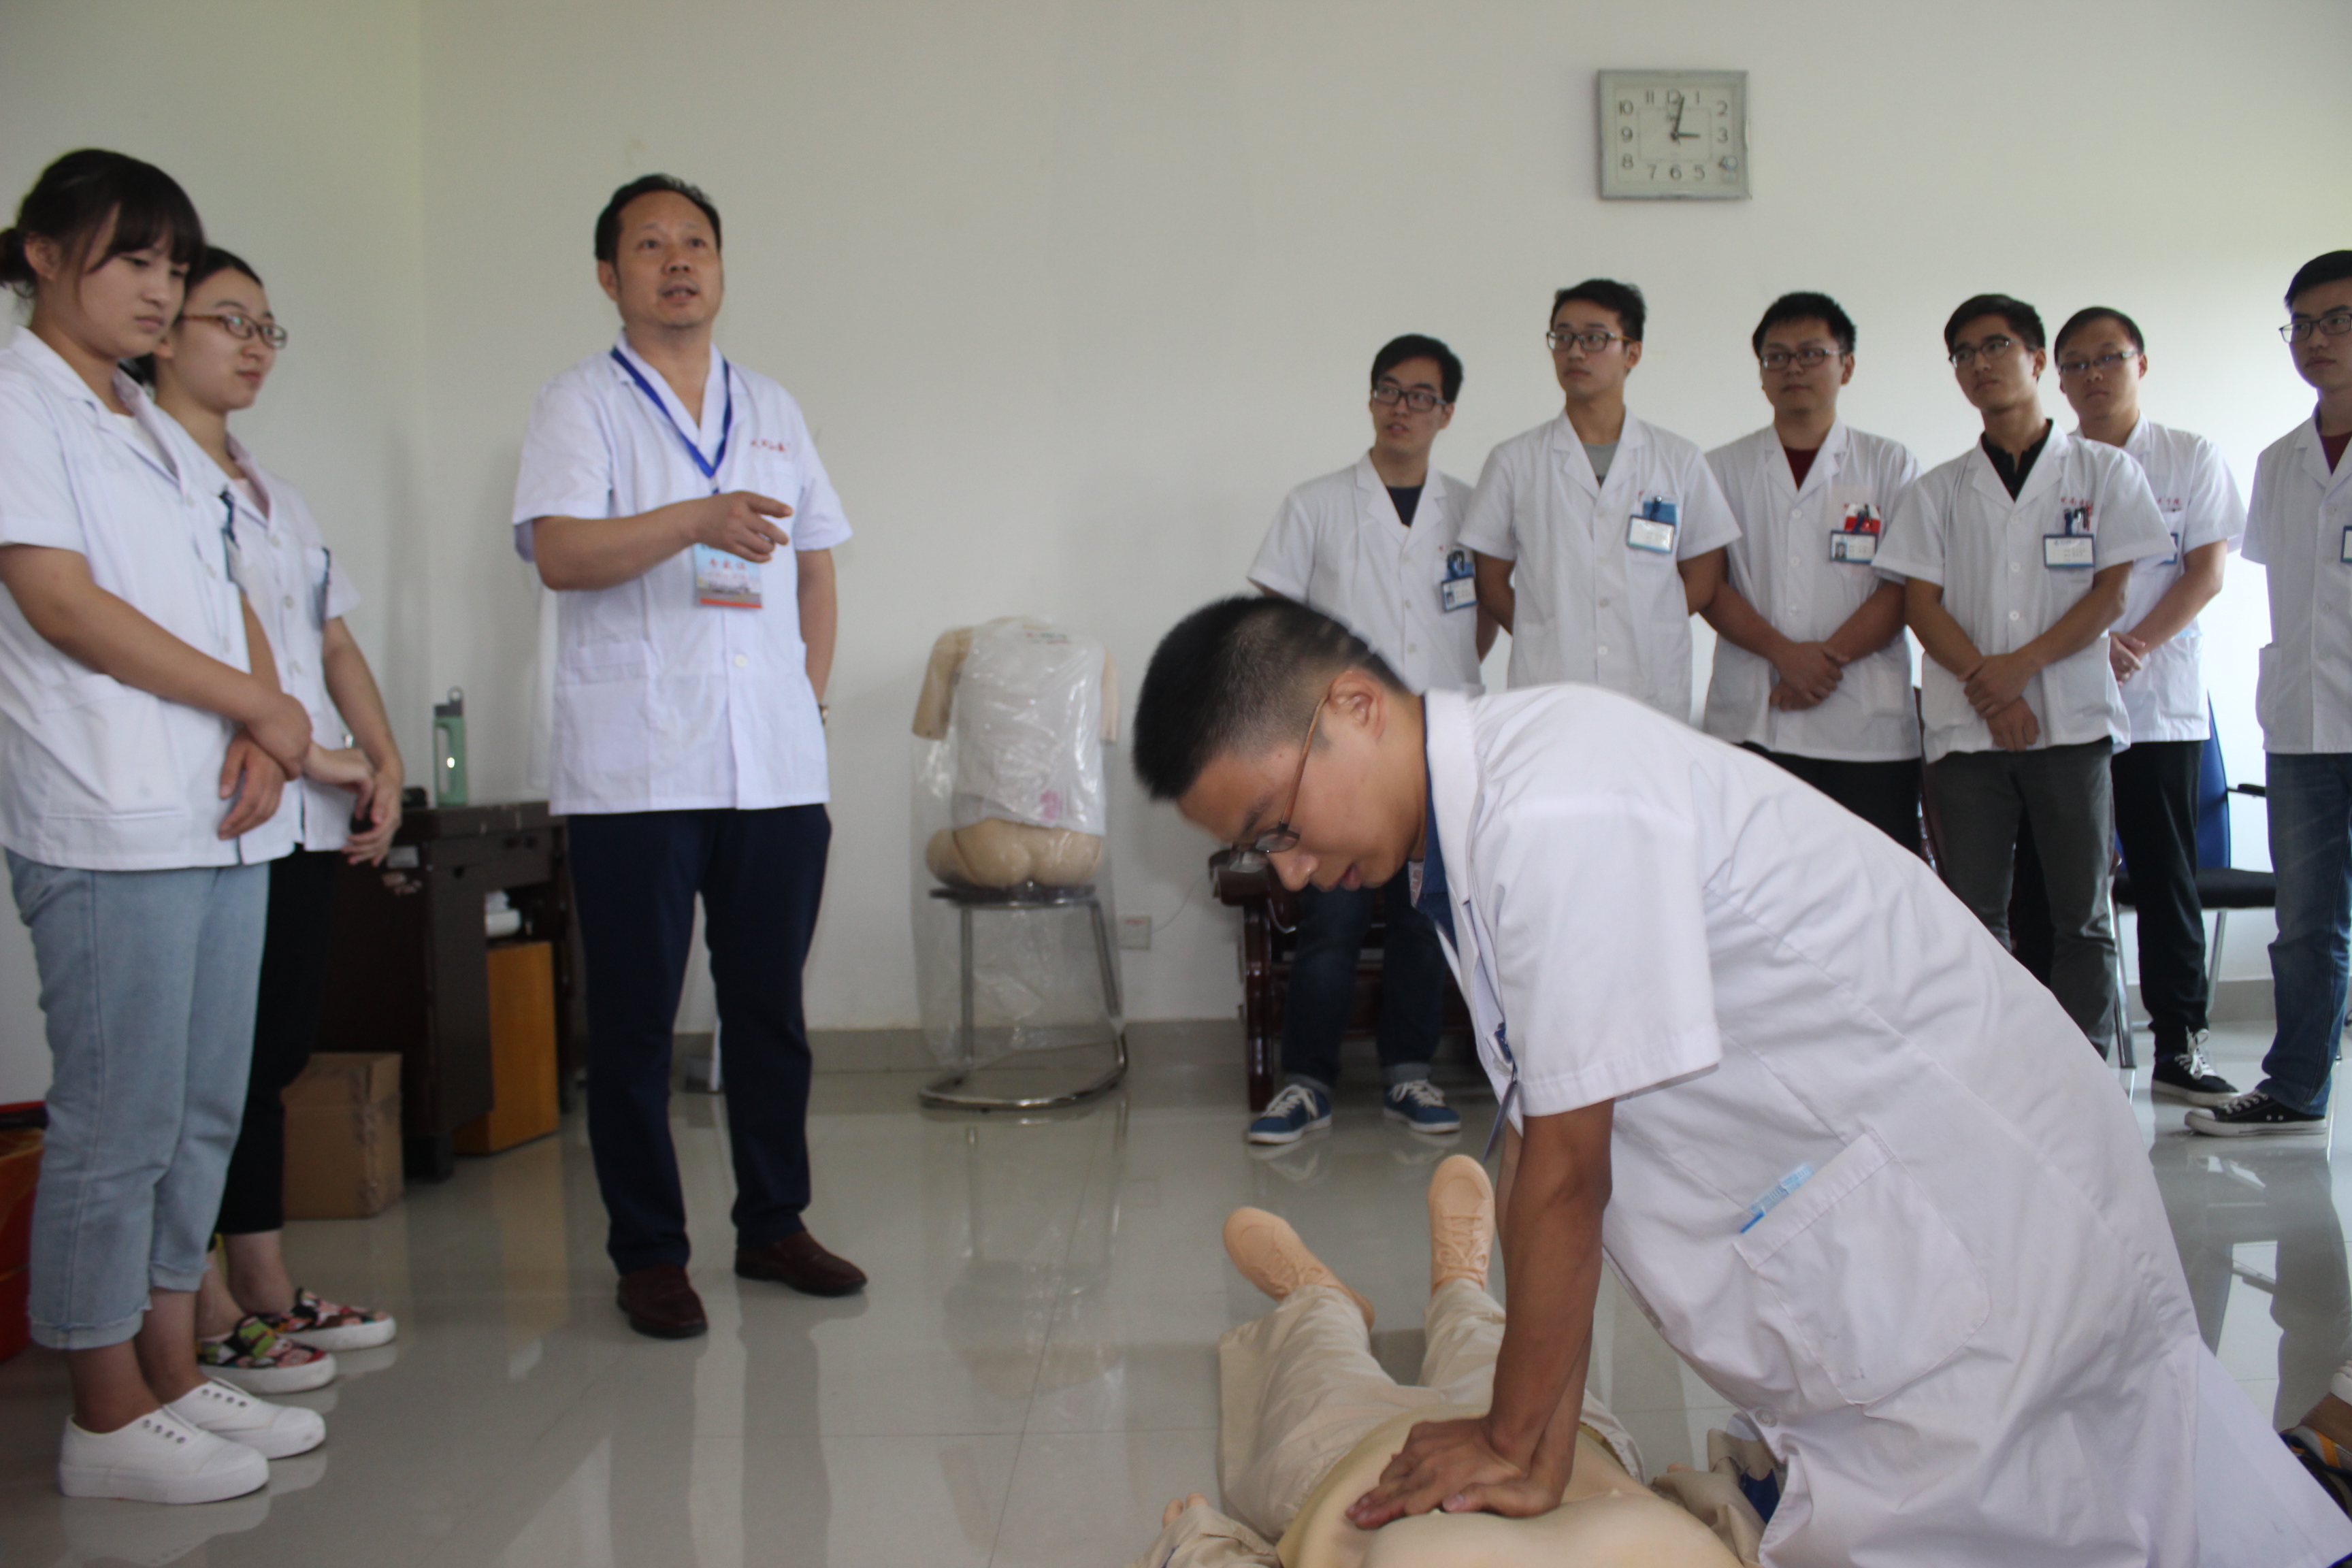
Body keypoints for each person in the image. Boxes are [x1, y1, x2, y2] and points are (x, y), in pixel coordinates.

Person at [1131, 594, 2352, 1567]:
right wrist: (1525, 1428)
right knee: (2123, 1501)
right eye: (1257, 849)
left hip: (1977, 1202)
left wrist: (1517, 1439)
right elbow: (1544, 1138)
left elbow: (1567, 1170)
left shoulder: (1554, 797)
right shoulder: (1484, 823)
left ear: (1353, 706)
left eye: (1278, 823)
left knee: (2086, 1501)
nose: (1289, 873)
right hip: (1892, 1218)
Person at [0, 150, 325, 1503]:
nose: (157, 288)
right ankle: (102, 1409)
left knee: (200, 1110)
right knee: (116, 1120)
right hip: (107, 814)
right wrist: (256, 701)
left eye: (172, 266)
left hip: (218, 810)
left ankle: (174, 1366)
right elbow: (62, 601)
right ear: (42, 253)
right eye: (133, 258)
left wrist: (262, 725)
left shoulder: (143, 416)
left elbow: (224, 585)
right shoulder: (18, 402)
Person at [513, 173, 864, 1338]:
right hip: (639, 767)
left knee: (768, 1011)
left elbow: (814, 562)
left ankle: (774, 1221)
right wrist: (695, 518)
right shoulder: (580, 403)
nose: (678, 261)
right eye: (650, 244)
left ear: (719, 267)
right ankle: (650, 1251)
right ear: (607, 274)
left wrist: (805, 697)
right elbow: (561, 552)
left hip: (774, 765)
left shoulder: (772, 403)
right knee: (634, 1023)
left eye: (697, 243)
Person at [141, 246, 406, 1388]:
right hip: (215, 803)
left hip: (299, 811)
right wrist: (325, 753)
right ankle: (198, 1302)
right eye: (228, 320)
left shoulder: (272, 492)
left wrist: (383, 757)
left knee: (270, 1055)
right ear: (162, 332)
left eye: (266, 327)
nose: (254, 345)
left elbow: (331, 640)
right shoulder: (145, 473)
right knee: (204, 1070)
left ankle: (261, 1282)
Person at [1122, 1156, 1750, 1568]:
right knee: (1500, 1343)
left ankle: (1319, 1301)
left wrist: (1195, 1550)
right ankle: (1460, 1289)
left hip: (1346, 1470)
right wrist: (1717, 1501)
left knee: (1315, 1366)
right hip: (1555, 1431)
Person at [1874, 294, 2171, 1058]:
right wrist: (1990, 684)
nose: (1980, 364)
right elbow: (1921, 605)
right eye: (1964, 353)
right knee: (1975, 916)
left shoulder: (2105, 472)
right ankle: (1992, 1072)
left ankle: (2085, 1076)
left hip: (2070, 724)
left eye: (1996, 346)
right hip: (1968, 733)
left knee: (2083, 918)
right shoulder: (1938, 489)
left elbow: (2112, 594)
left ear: (2037, 360)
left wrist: (2020, 671)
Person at [1241, 335, 1494, 1143]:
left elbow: (1484, 617)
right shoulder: (1317, 504)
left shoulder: (1473, 511)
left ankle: (1409, 1075)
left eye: (1421, 396)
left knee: (1423, 919)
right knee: (1333, 920)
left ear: (1446, 413)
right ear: (1371, 399)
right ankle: (1306, 1084)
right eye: (1389, 390)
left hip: (1438, 744)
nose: (1401, 408)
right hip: (1340, 757)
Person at [2047, 305, 2245, 1105]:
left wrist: (2133, 645)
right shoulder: (2052, 467)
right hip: (2067, 702)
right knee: (2066, 887)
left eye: (2109, 357)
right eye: (2076, 363)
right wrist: (2092, 649)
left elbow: (2206, 572)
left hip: (2159, 704)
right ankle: (2066, 1050)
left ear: (2141, 363)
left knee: (2166, 880)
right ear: (2058, 379)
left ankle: (2180, 1046)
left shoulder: (2189, 456)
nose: (2093, 375)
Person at [2190, 250, 2352, 1136]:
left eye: (2339, 320)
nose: (2317, 340)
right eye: (2303, 324)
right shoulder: (2280, 461)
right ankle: (2294, 1090)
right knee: (2305, 925)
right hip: (2300, 728)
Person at [1699, 292, 1922, 849]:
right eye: (1776, 357)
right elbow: (1710, 585)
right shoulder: (1720, 468)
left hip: (1865, 729)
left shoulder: (1890, 463)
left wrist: (1819, 665)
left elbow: (1903, 586)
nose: (1793, 368)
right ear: (1761, 375)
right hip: (1755, 721)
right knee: (1755, 880)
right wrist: (1784, 655)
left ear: (1847, 365)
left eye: (1811, 353)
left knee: (1874, 880)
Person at [1458, 279, 1737, 720]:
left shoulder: (1677, 459)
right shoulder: (1514, 460)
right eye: (1563, 337)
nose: (1575, 352)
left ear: (1632, 353)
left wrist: (1646, 625)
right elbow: (1490, 582)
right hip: (1550, 685)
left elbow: (1705, 575)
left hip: (1650, 686)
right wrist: (1547, 632)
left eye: (1594, 338)